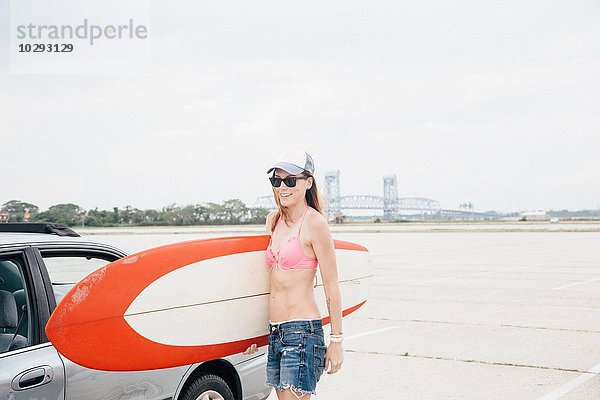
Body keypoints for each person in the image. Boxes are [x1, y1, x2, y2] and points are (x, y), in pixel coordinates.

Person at [244, 149, 344, 400]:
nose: (282, 188)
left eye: (290, 181)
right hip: (276, 331)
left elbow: (332, 286)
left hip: (302, 332)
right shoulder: (273, 221)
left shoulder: (315, 224)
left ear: (308, 182)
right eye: (277, 181)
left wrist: (337, 341)